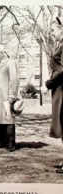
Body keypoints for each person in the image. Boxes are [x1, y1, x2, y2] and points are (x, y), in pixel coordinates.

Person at [0, 44, 20, 152]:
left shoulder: (10, 63)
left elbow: (14, 80)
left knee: (8, 119)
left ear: (2, 53)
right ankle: (0, 141)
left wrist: (12, 95)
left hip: (5, 95)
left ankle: (11, 144)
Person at [42, 17, 63, 173]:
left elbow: (62, 70)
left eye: (53, 30)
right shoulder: (60, 44)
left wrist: (48, 84)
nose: (51, 33)